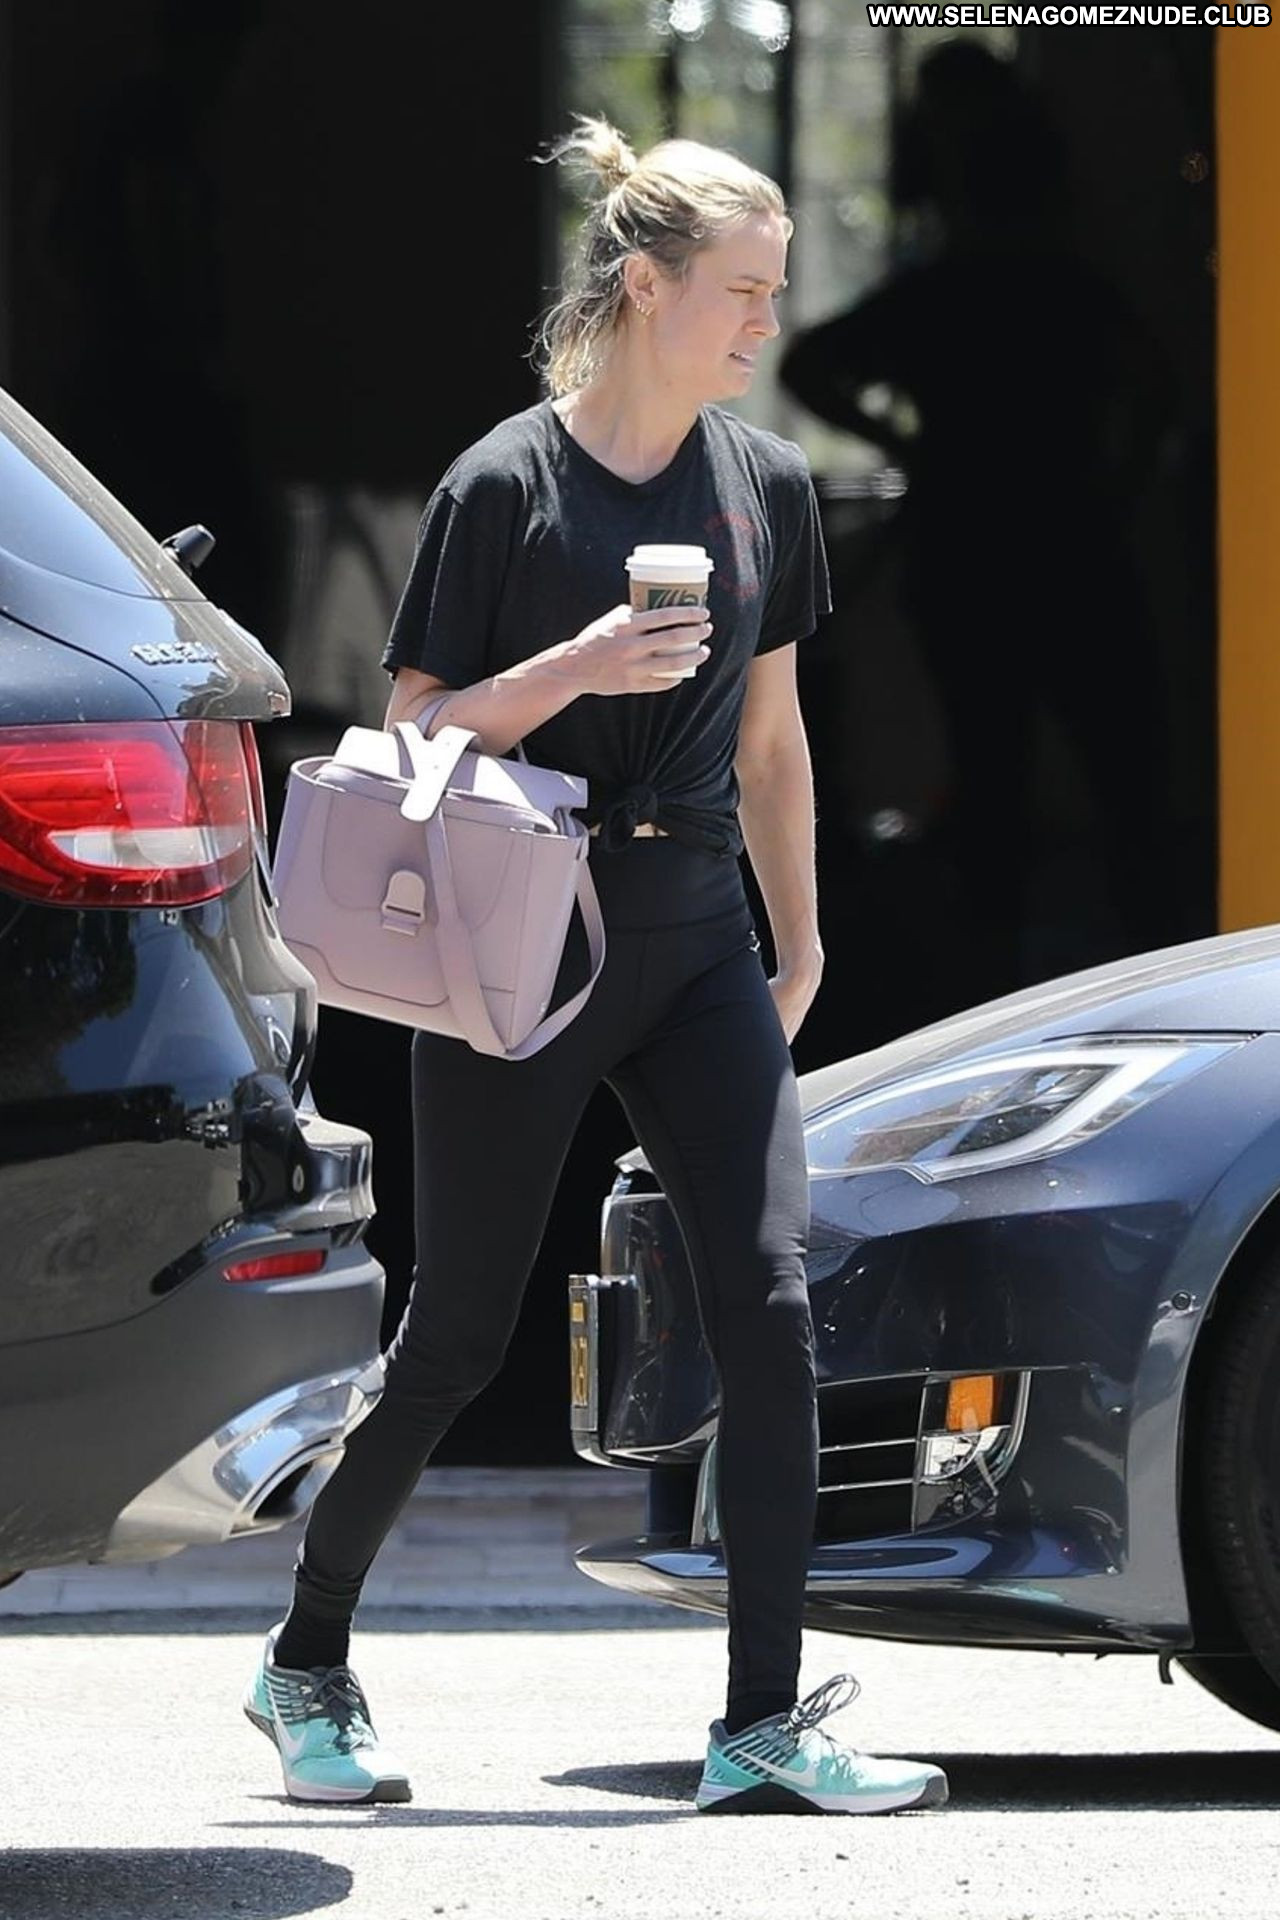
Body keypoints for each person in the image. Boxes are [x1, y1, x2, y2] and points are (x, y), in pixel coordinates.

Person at [244, 116, 948, 1819]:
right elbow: (412, 733)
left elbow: (773, 746)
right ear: (646, 287)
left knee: (769, 1308)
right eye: (742, 290)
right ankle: (306, 1658)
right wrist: (575, 665)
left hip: (699, 930)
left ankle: (761, 1721)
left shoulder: (766, 484)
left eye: (776, 289)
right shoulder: (506, 485)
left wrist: (803, 942)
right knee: (458, 1335)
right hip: (521, 934)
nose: (769, 321)